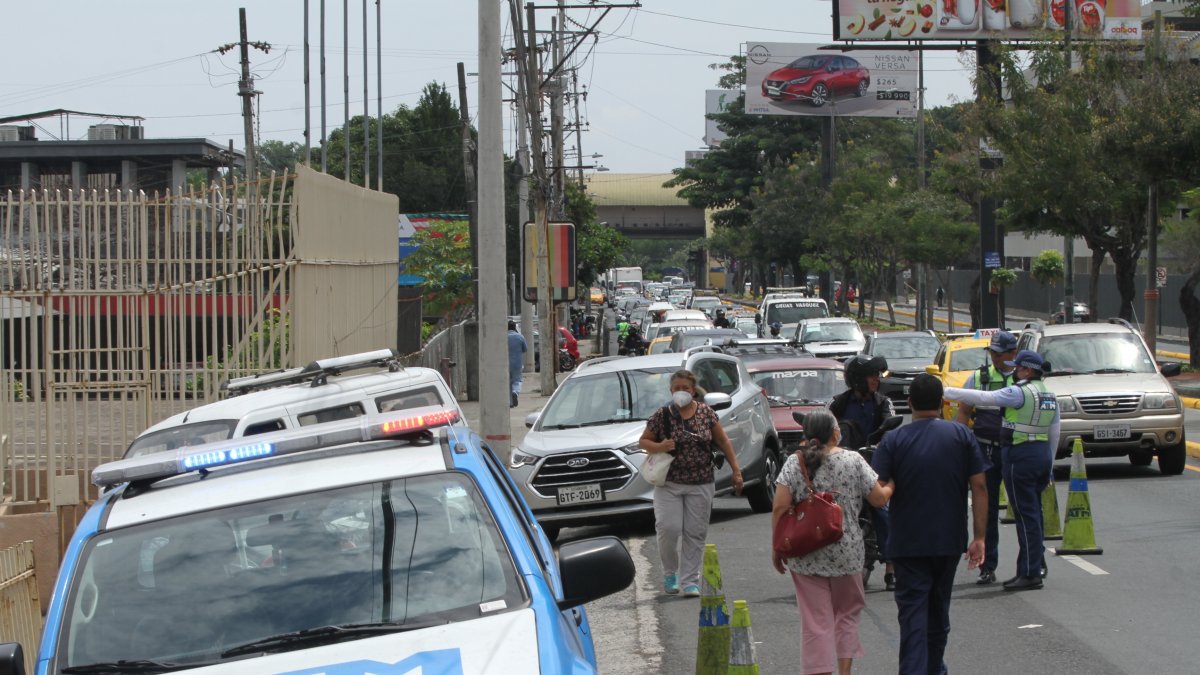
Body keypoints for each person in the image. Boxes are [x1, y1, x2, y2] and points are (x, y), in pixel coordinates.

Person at [871, 374, 988, 675]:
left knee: (912, 616)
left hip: (907, 543)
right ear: (942, 403)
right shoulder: (961, 436)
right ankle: (935, 668)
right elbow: (979, 486)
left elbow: (877, 491)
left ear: (909, 403)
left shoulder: (894, 440)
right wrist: (980, 538)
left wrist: (894, 483)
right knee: (938, 612)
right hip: (948, 540)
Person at [772, 410, 892, 675]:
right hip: (848, 554)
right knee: (846, 616)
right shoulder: (854, 460)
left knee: (815, 622)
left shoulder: (795, 463)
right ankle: (845, 671)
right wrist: (892, 483)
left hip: (806, 554)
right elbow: (879, 499)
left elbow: (780, 508)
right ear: (835, 433)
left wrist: (777, 548)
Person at [944, 349, 1059, 591]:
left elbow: (985, 398)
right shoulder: (1049, 394)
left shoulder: (1018, 393)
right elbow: (1054, 432)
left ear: (1028, 370)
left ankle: (1030, 572)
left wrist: (943, 391)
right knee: (1033, 513)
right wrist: (1050, 464)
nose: (1014, 371)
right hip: (1040, 455)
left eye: (1018, 368)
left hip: (1020, 454)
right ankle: (1032, 567)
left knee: (1025, 515)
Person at [639, 369, 743, 597]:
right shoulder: (662, 415)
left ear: (693, 390)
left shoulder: (706, 413)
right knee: (668, 528)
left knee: (695, 533)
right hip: (669, 483)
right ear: (670, 391)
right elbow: (643, 441)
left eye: (685, 388)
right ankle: (669, 573)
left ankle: (689, 581)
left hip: (701, 482)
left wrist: (736, 471)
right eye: (677, 388)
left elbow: (723, 441)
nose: (681, 392)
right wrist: (660, 446)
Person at [954, 330, 1017, 585]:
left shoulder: (1023, 378)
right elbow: (963, 414)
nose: (995, 358)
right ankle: (987, 566)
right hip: (986, 450)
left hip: (1014, 451)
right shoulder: (978, 378)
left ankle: (1032, 566)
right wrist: (958, 446)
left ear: (1013, 353)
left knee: (1024, 508)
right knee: (986, 510)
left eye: (1000, 354)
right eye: (992, 353)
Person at [829, 354, 897, 590]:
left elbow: (890, 430)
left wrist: (882, 444)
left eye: (877, 375)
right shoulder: (837, 403)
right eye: (871, 375)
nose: (876, 379)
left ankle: (891, 567)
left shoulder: (883, 403)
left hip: (874, 466)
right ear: (857, 378)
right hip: (843, 469)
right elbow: (824, 427)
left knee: (884, 511)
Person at [506, 320, 527, 408]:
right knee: (517, 380)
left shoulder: (504, 337)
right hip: (517, 363)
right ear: (515, 328)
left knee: (508, 383)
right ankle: (515, 392)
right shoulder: (520, 337)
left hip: (506, 364)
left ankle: (510, 403)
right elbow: (525, 349)